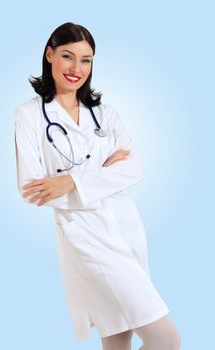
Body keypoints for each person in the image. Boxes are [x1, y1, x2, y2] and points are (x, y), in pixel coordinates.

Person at [14, 22, 181, 350]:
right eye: (68, 56)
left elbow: (134, 169)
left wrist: (71, 180)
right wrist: (102, 177)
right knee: (166, 339)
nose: (77, 69)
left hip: (126, 228)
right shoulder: (29, 115)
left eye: (86, 60)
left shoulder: (105, 113)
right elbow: (33, 189)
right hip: (85, 238)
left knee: (118, 340)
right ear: (49, 55)